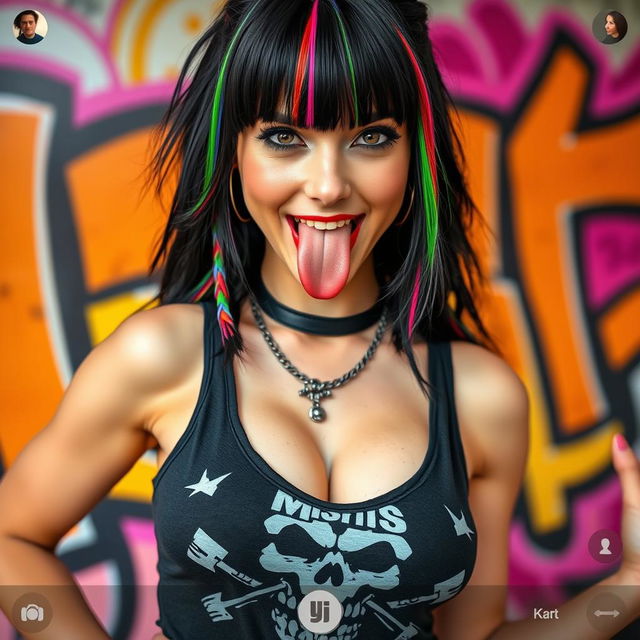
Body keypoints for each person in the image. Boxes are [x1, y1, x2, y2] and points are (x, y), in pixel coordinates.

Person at [0, 1, 639, 639]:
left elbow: (475, 635)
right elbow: (12, 537)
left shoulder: (481, 396)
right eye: (285, 137)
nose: (328, 185)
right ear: (235, 154)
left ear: (415, 156)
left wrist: (628, 585)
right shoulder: (162, 358)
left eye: (371, 137)